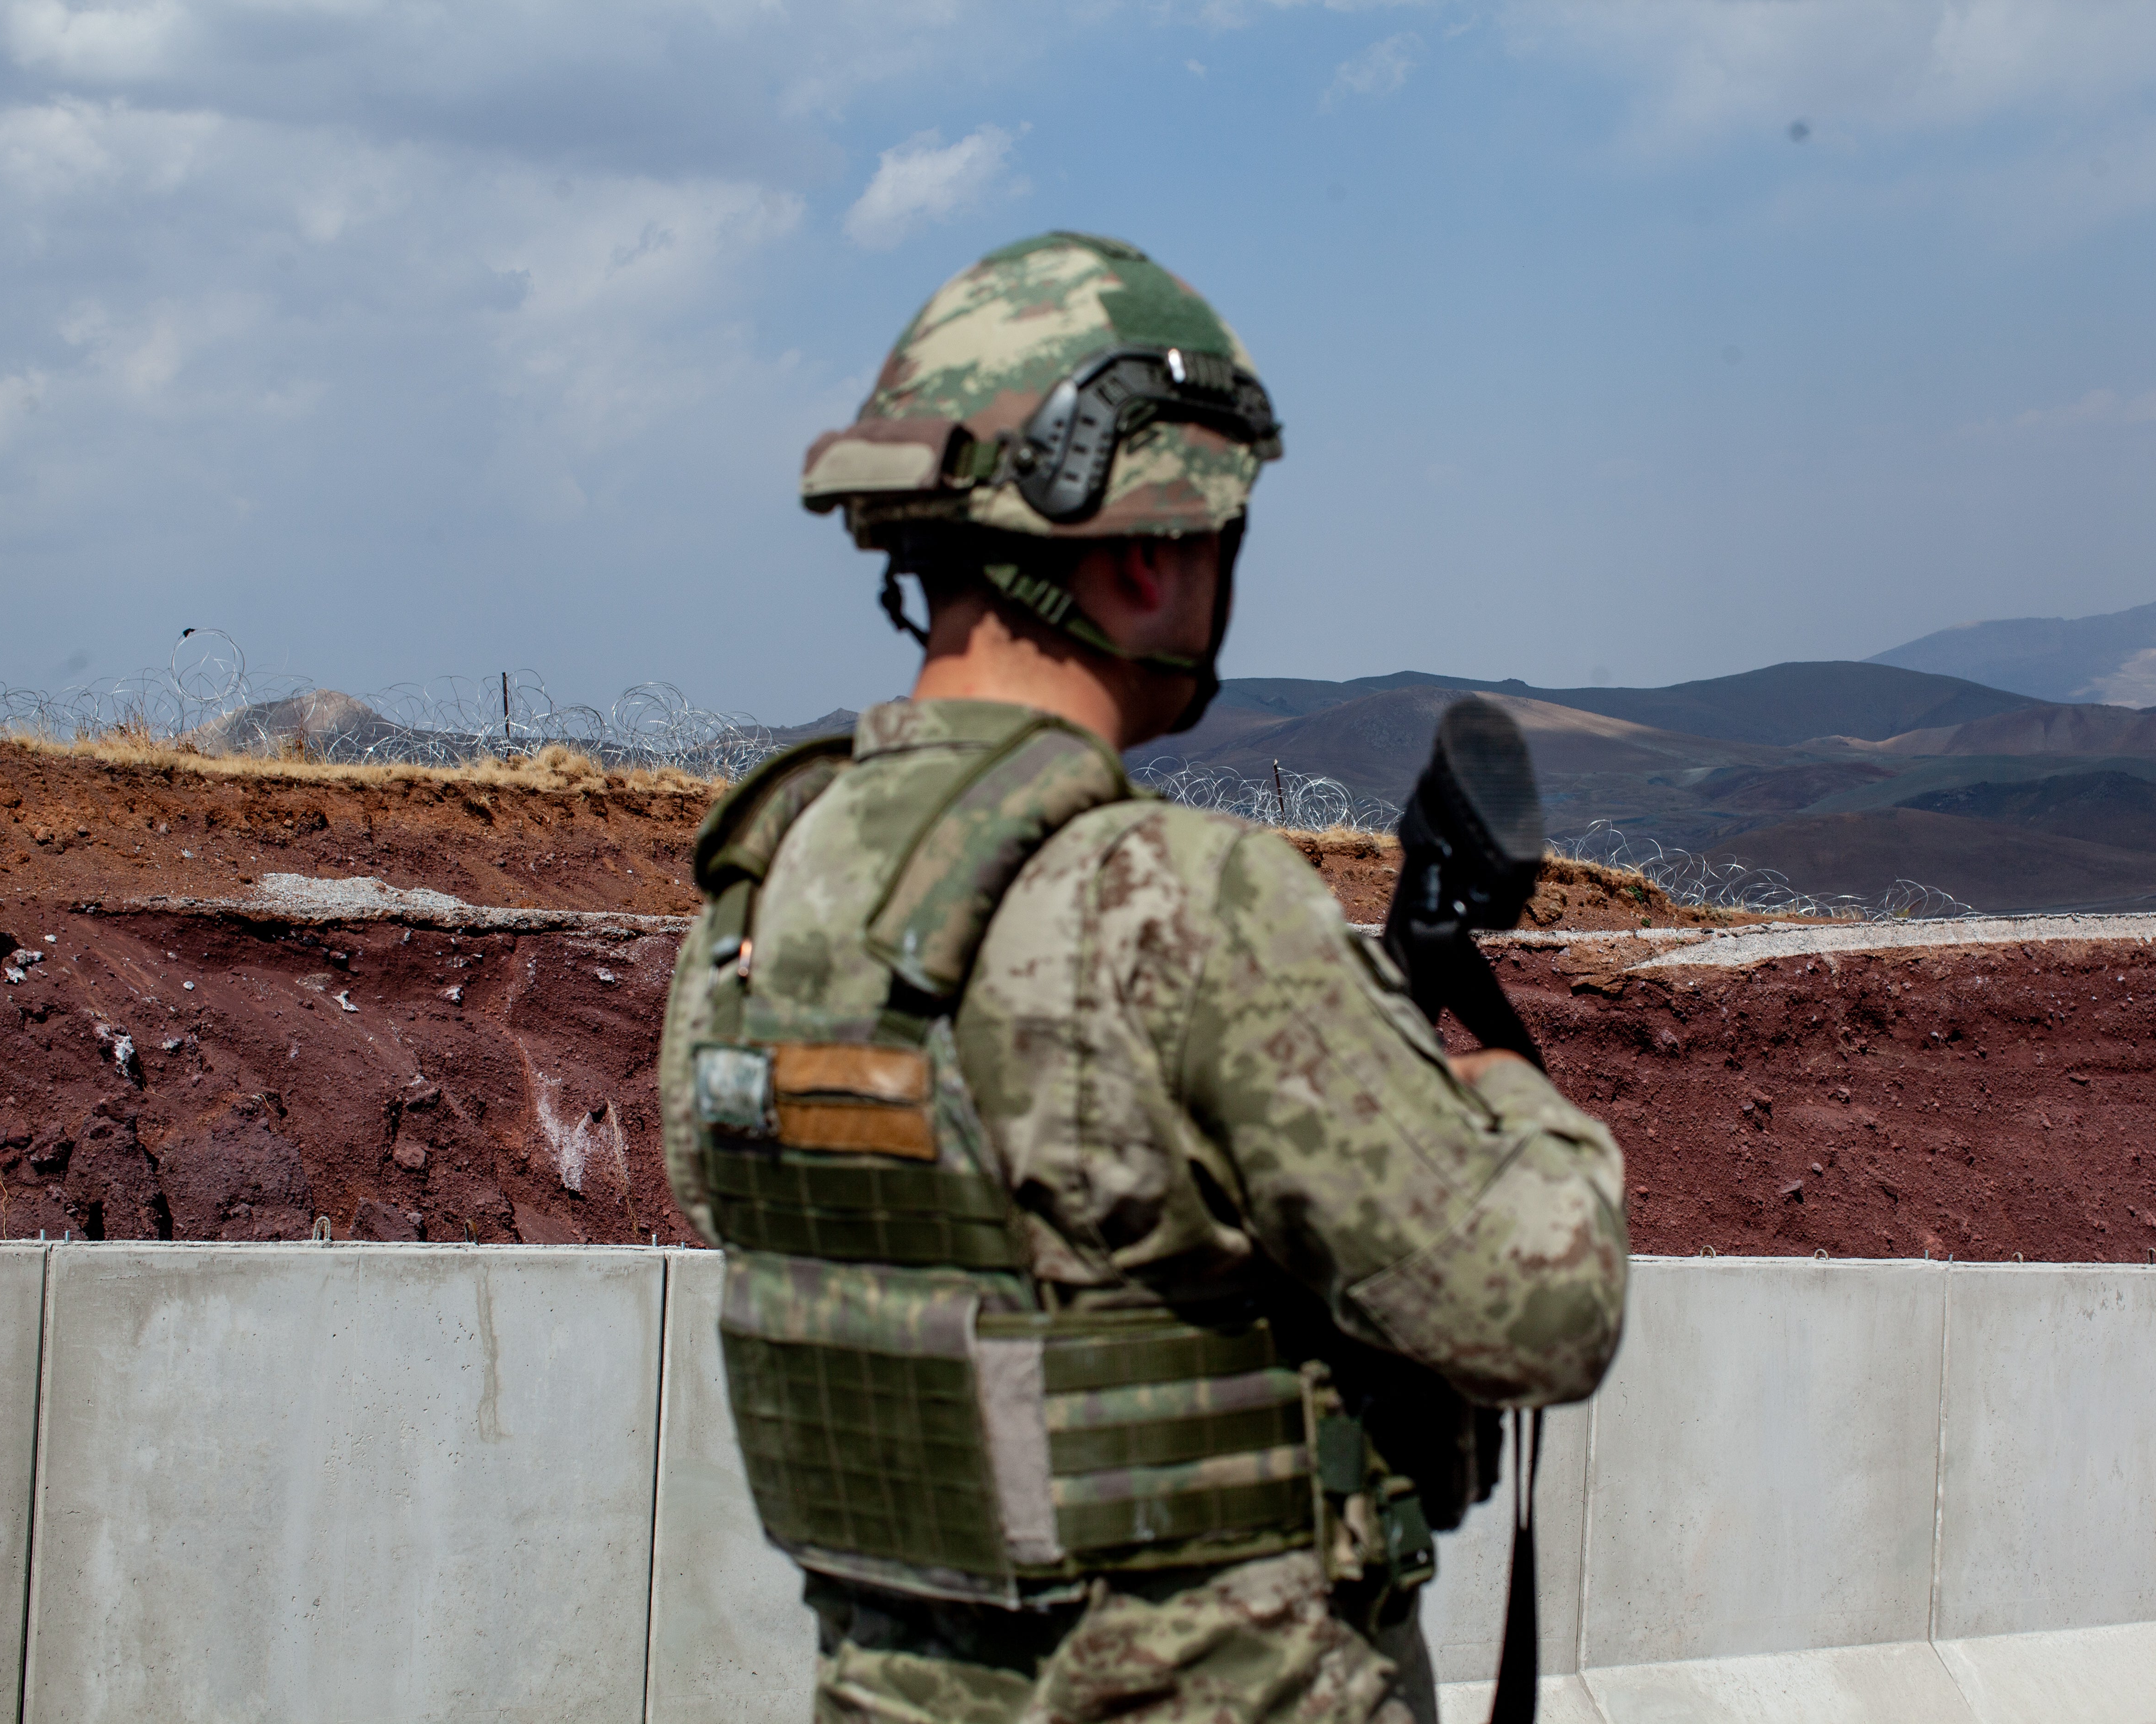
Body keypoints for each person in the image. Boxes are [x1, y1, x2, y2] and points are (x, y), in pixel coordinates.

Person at [658, 231, 1627, 1724]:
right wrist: (1520, 1111)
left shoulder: (755, 896)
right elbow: (1535, 1313)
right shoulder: (1183, 901)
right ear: (1149, 552)